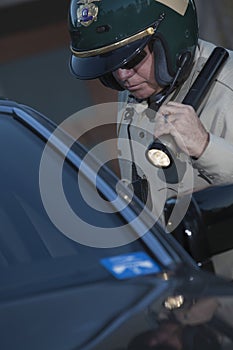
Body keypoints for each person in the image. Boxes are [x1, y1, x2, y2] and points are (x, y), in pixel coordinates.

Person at [68, 0, 233, 226]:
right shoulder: (137, 92)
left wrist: (204, 146)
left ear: (171, 38)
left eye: (133, 57)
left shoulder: (228, 87)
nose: (123, 75)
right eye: (109, 62)